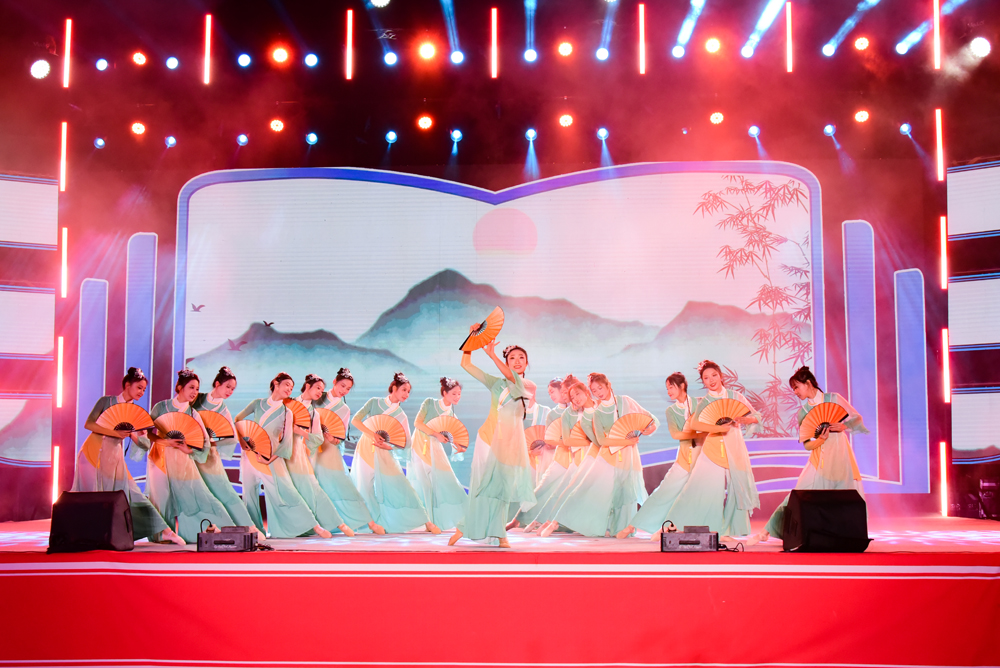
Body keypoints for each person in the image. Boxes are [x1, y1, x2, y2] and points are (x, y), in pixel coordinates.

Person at [749, 366, 868, 545]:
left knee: (846, 495)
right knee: (799, 493)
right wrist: (820, 440)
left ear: (808, 383)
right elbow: (807, 444)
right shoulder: (803, 412)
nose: (795, 392)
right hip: (819, 458)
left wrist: (844, 426)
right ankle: (766, 531)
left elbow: (857, 418)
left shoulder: (833, 398)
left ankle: (846, 536)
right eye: (793, 389)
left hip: (841, 453)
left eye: (797, 387)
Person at [73, 367, 183, 545]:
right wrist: (114, 432)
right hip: (91, 453)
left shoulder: (136, 414)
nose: (141, 392)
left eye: (144, 389)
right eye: (139, 387)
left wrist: (134, 435)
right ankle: (91, 536)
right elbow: (89, 424)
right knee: (92, 496)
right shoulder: (106, 401)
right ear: (127, 385)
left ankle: (165, 531)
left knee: (133, 494)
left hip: (114, 458)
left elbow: (144, 444)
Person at [541, 373, 658, 537]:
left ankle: (623, 528)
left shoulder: (625, 401)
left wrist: (647, 429)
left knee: (627, 490)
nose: (598, 393)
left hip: (628, 454)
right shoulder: (594, 414)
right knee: (585, 489)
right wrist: (625, 441)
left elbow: (650, 420)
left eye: (600, 388)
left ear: (608, 385)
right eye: (594, 390)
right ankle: (557, 521)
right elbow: (600, 441)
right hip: (602, 454)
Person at [449, 340, 535, 548]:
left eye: (521, 358)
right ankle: (469, 527)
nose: (517, 361)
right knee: (482, 487)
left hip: (508, 446)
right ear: (506, 362)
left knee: (502, 490)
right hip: (488, 440)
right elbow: (466, 365)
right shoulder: (496, 383)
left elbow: (513, 379)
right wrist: (471, 340)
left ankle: (495, 532)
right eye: (512, 358)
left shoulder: (527, 385)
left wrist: (491, 354)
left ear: (527, 363)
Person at [663, 360, 761, 538]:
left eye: (714, 375)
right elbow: (695, 424)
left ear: (721, 376)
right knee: (701, 489)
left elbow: (756, 416)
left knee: (737, 488)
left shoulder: (735, 396)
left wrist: (748, 420)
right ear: (703, 382)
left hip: (735, 447)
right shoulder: (705, 401)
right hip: (712, 449)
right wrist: (717, 428)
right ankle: (676, 525)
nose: (711, 380)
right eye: (706, 378)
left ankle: (730, 530)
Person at [234, 373, 333, 538]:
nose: (289, 389)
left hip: (272, 456)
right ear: (276, 383)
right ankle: (254, 531)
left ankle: (314, 526)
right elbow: (238, 419)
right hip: (250, 455)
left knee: (286, 491)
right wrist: (243, 442)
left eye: (292, 387)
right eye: (287, 384)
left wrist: (269, 458)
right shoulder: (257, 403)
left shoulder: (287, 412)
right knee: (248, 494)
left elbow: (286, 442)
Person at [147, 369, 235, 543]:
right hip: (159, 457)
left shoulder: (193, 413)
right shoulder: (161, 407)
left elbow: (205, 441)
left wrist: (189, 451)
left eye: (197, 389)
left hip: (181, 460)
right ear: (179, 387)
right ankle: (161, 535)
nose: (195, 392)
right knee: (159, 497)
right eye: (191, 387)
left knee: (194, 494)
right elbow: (148, 432)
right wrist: (165, 442)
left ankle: (202, 530)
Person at [350, 372, 441, 534]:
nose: (406, 394)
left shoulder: (401, 415)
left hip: (384, 452)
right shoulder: (374, 403)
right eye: (404, 390)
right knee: (364, 486)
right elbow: (355, 420)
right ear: (394, 388)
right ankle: (373, 523)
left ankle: (426, 521)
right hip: (366, 447)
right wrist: (372, 434)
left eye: (408, 392)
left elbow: (406, 442)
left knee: (401, 486)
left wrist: (389, 447)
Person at [617, 372, 699, 539]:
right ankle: (633, 525)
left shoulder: (699, 403)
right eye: (667, 388)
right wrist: (698, 432)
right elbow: (676, 434)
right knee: (664, 491)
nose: (668, 391)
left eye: (671, 387)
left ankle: (670, 529)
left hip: (702, 456)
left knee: (694, 496)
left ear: (682, 386)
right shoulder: (671, 411)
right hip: (685, 456)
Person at [191, 366, 265, 541]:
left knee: (224, 490)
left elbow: (230, 437)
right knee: (197, 492)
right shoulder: (197, 399)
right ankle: (201, 529)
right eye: (228, 387)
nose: (230, 391)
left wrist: (211, 442)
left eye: (233, 389)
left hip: (208, 456)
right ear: (217, 384)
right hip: (189, 453)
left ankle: (249, 526)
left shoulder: (223, 409)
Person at [312, 368, 385, 534]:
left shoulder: (344, 409)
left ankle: (368, 522)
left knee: (343, 484)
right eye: (342, 386)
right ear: (334, 382)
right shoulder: (318, 398)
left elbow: (340, 437)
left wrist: (332, 439)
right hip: (311, 448)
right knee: (315, 485)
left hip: (329, 450)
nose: (344, 390)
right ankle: (320, 524)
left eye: (348, 388)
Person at [513, 374, 581, 532]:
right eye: (550, 393)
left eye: (556, 391)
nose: (553, 395)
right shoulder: (552, 413)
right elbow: (549, 439)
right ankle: (524, 519)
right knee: (546, 488)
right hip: (557, 456)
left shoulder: (579, 410)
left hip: (577, 456)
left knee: (570, 490)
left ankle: (563, 522)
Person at [290, 374, 356, 536]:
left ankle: (333, 523)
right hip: (285, 450)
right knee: (291, 489)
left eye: (348, 388)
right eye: (317, 388)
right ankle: (298, 526)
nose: (320, 392)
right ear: (307, 386)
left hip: (302, 450)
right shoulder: (289, 403)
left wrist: (301, 432)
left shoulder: (314, 412)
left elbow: (319, 438)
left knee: (312, 486)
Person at [408, 377, 469, 531]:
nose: (457, 397)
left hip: (435, 448)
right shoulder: (430, 403)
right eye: (454, 394)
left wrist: (460, 447)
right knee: (423, 483)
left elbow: (456, 435)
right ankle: (427, 522)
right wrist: (436, 434)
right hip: (420, 444)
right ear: (444, 393)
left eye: (459, 394)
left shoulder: (451, 414)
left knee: (447, 480)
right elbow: (417, 423)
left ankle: (465, 517)